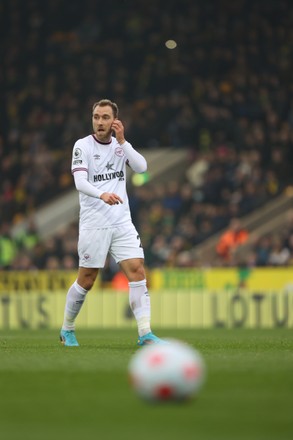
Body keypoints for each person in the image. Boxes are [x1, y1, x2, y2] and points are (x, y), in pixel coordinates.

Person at [60, 99, 164, 347]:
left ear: (115, 121)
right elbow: (80, 183)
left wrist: (123, 141)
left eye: (105, 117)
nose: (99, 122)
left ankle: (145, 333)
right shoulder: (82, 146)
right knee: (87, 279)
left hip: (121, 222)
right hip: (94, 222)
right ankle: (67, 329)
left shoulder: (120, 148)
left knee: (138, 271)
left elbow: (142, 167)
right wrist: (102, 194)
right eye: (96, 117)